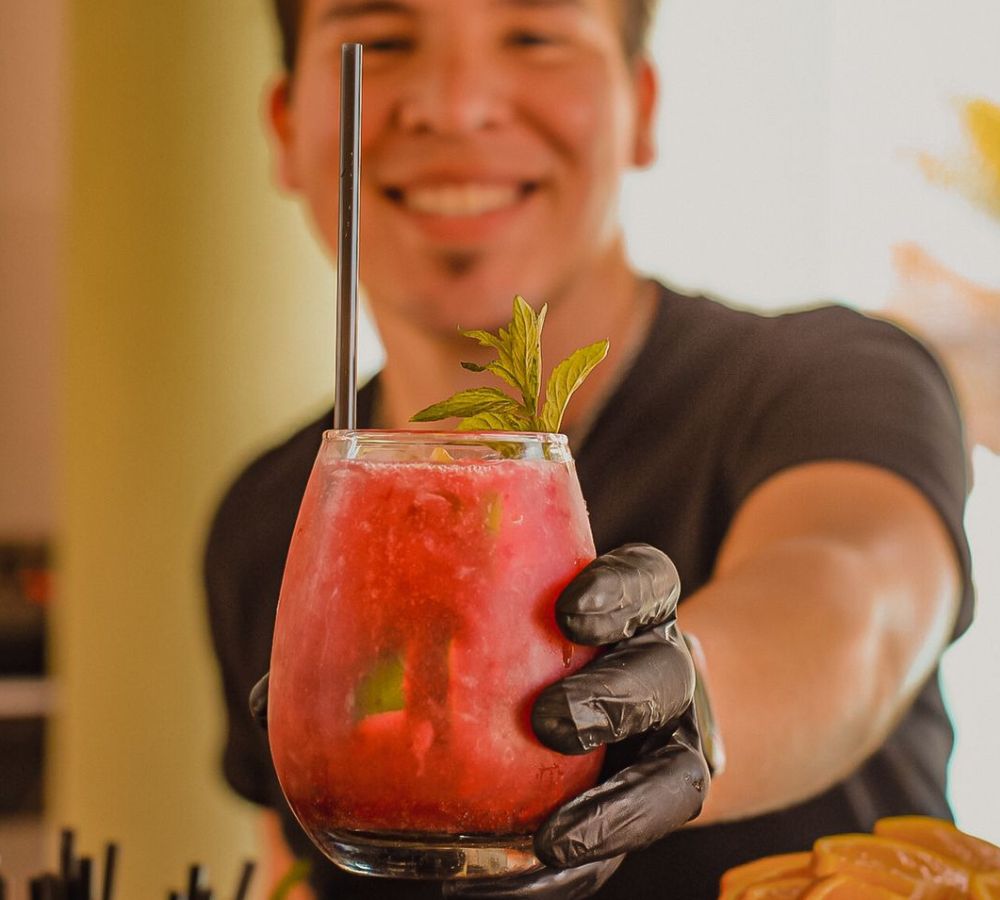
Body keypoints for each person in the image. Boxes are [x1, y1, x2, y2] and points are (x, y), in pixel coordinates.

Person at [204, 1, 974, 897]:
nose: (456, 106)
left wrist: (692, 702)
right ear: (286, 127)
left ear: (641, 105)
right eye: (384, 41)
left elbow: (857, 605)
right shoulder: (270, 519)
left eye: (535, 37)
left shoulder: (827, 382)